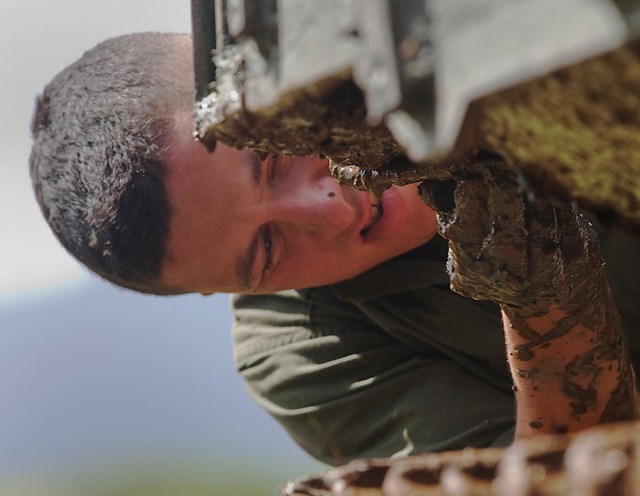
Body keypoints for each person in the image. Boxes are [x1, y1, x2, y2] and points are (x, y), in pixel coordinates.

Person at [30, 33, 640, 466]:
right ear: (230, 289)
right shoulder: (304, 352)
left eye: (270, 158)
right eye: (267, 249)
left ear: (256, 75)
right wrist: (543, 302)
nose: (328, 209)